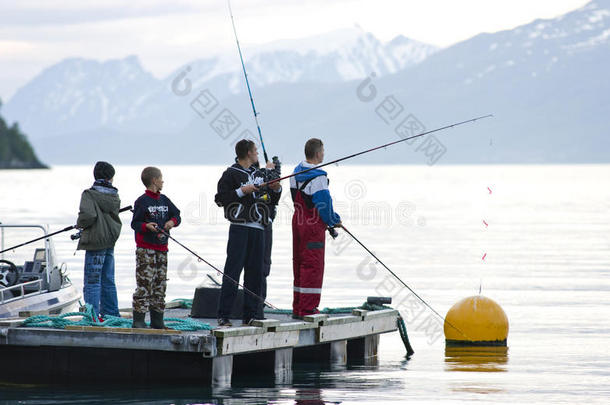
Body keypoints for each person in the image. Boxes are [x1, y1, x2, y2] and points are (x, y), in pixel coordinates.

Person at [215, 140, 281, 327]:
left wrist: (276, 188)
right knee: (232, 272)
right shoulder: (231, 173)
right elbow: (220, 199)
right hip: (240, 228)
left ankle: (251, 314)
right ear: (249, 153)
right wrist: (242, 190)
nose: (258, 154)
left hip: (259, 229)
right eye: (255, 151)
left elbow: (272, 199)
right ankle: (223, 314)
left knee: (256, 273)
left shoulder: (259, 174)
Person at [290, 138, 341, 319]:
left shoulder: (295, 172)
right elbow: (324, 205)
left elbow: (295, 197)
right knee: (313, 265)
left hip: (297, 221)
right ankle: (309, 308)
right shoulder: (318, 177)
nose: (324, 154)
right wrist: (335, 221)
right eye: (323, 151)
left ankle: (298, 306)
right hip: (312, 225)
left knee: (299, 262)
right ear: (318, 153)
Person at [130, 166, 181, 329]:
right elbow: (135, 223)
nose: (163, 181)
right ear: (154, 181)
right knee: (145, 284)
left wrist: (172, 222)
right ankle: (138, 321)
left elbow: (177, 214)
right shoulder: (142, 201)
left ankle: (157, 320)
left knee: (160, 284)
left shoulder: (164, 199)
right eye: (161, 178)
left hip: (162, 248)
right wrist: (147, 226)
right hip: (146, 249)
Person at [76, 161, 122, 320]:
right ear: (111, 178)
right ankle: (111, 314)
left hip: (96, 241)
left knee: (92, 281)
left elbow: (88, 216)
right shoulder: (114, 194)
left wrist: (79, 224)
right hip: (110, 240)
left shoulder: (89, 194)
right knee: (108, 279)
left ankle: (92, 317)